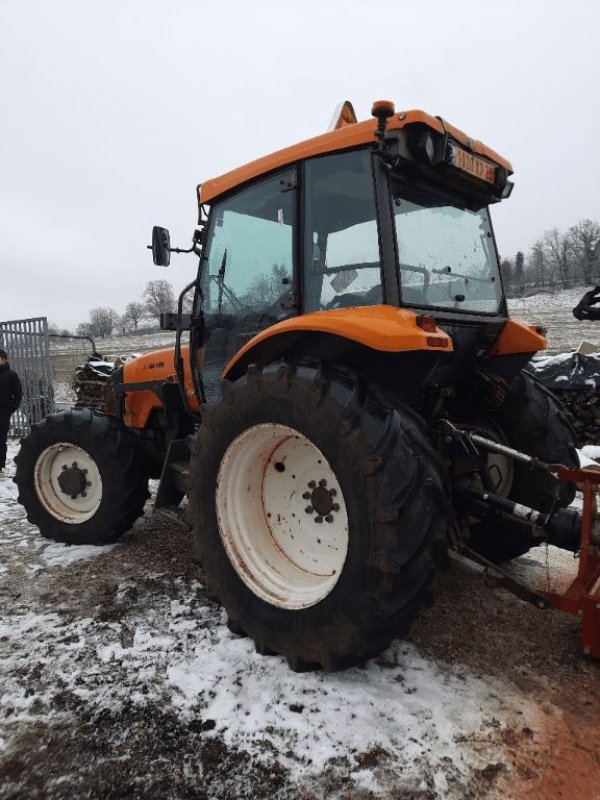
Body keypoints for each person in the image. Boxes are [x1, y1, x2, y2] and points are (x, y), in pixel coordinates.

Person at [0, 349, 23, 473]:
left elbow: (18, 394)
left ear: (4, 359)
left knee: (1, 439)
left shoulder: (11, 375)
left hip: (3, 412)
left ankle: (0, 466)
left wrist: (10, 408)